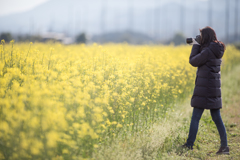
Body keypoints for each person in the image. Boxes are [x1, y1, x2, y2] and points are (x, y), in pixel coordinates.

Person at [182, 26, 229, 155]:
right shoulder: (216, 48)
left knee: (196, 117)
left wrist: (196, 45)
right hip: (213, 89)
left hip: (204, 89)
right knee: (217, 118)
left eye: (201, 36)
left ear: (205, 37)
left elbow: (193, 61)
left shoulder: (207, 51)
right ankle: (225, 147)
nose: (199, 38)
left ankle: (189, 145)